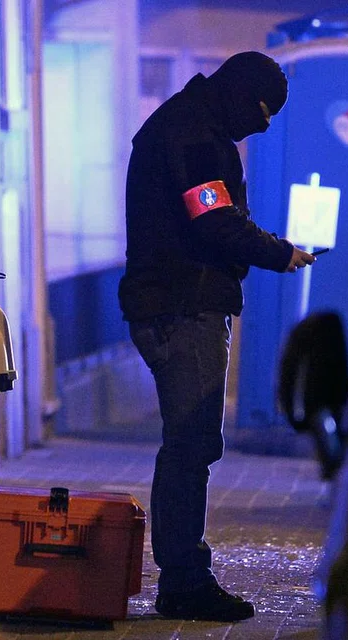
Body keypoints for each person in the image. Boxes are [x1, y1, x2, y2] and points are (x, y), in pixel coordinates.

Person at [118, 51, 315, 622]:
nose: (265, 124)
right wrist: (279, 252)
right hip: (184, 305)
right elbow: (214, 219)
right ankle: (184, 580)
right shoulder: (195, 137)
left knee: (189, 444)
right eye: (262, 110)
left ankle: (183, 574)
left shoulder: (184, 124)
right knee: (190, 445)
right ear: (240, 95)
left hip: (171, 302)